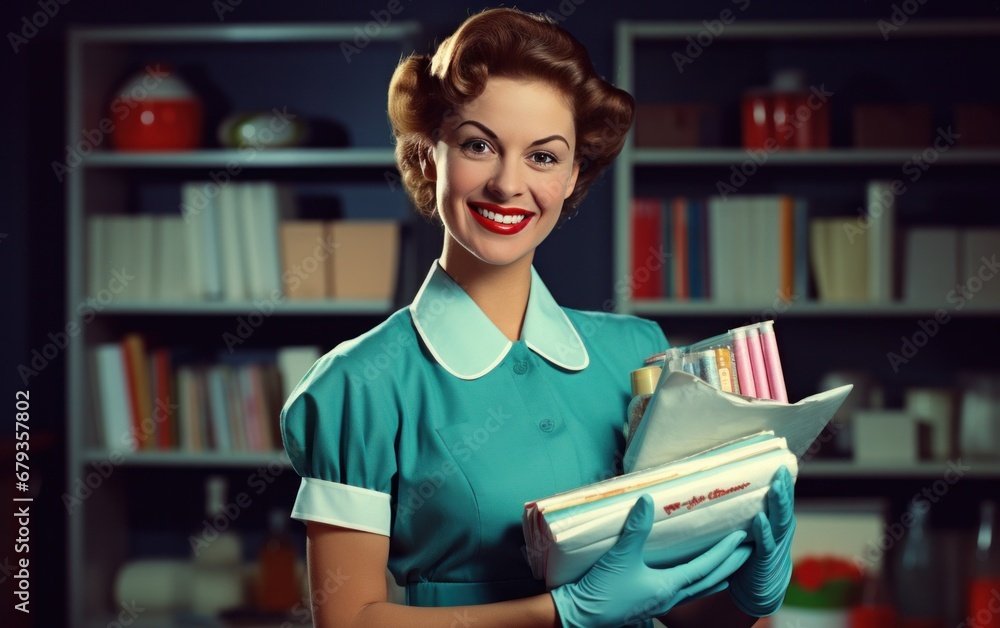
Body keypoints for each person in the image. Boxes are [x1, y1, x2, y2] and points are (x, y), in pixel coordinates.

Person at [280, 8, 795, 627]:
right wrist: (558, 613)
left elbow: (675, 606)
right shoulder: (357, 388)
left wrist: (746, 601)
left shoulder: (639, 356)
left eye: (544, 157)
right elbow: (350, 621)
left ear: (575, 173)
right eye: (478, 145)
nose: (507, 184)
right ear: (426, 156)